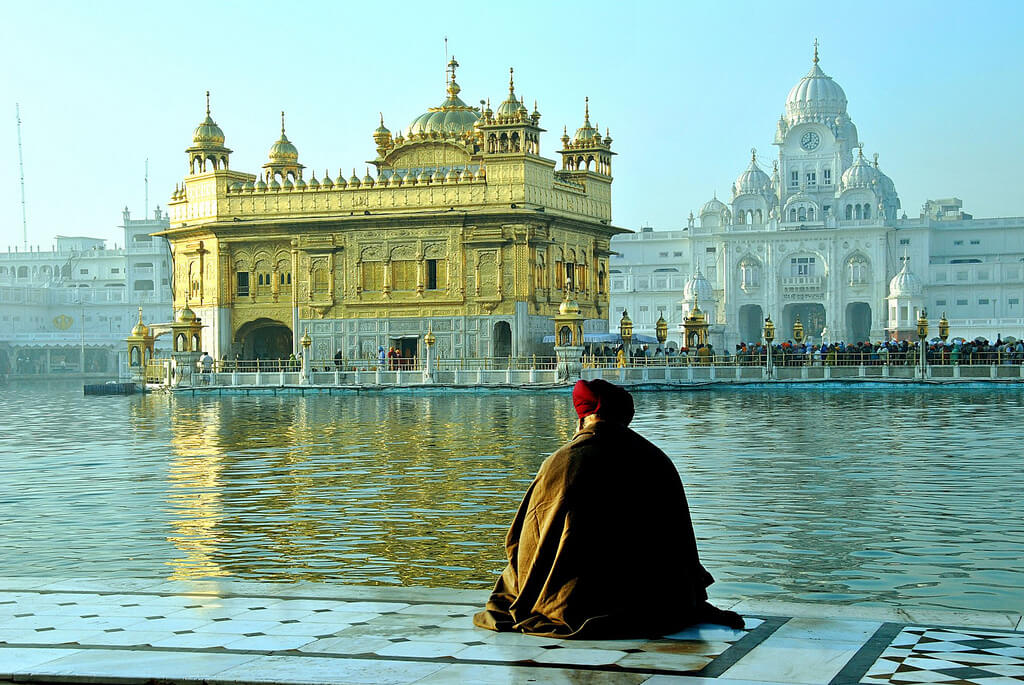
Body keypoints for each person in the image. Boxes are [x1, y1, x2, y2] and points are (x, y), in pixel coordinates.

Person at [473, 379, 742, 639]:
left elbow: (522, 540)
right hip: (656, 602)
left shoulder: (561, 463)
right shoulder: (656, 460)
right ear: (625, 418)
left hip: (571, 602)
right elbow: (680, 546)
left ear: (581, 419)